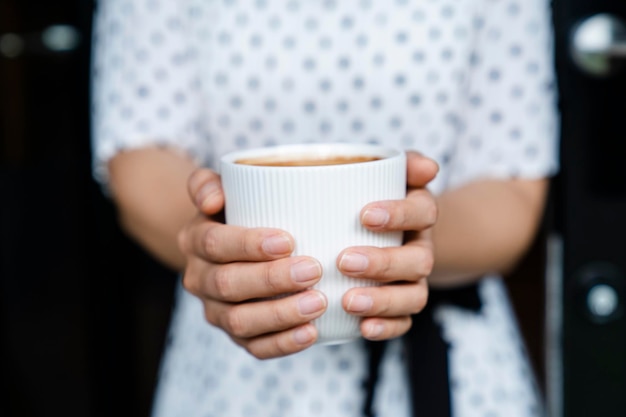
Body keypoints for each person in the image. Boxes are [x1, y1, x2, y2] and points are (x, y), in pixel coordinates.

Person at [90, 0, 559, 416]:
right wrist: (219, 248)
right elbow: (140, 154)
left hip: (455, 370)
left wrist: (412, 241)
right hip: (232, 363)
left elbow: (511, 192)